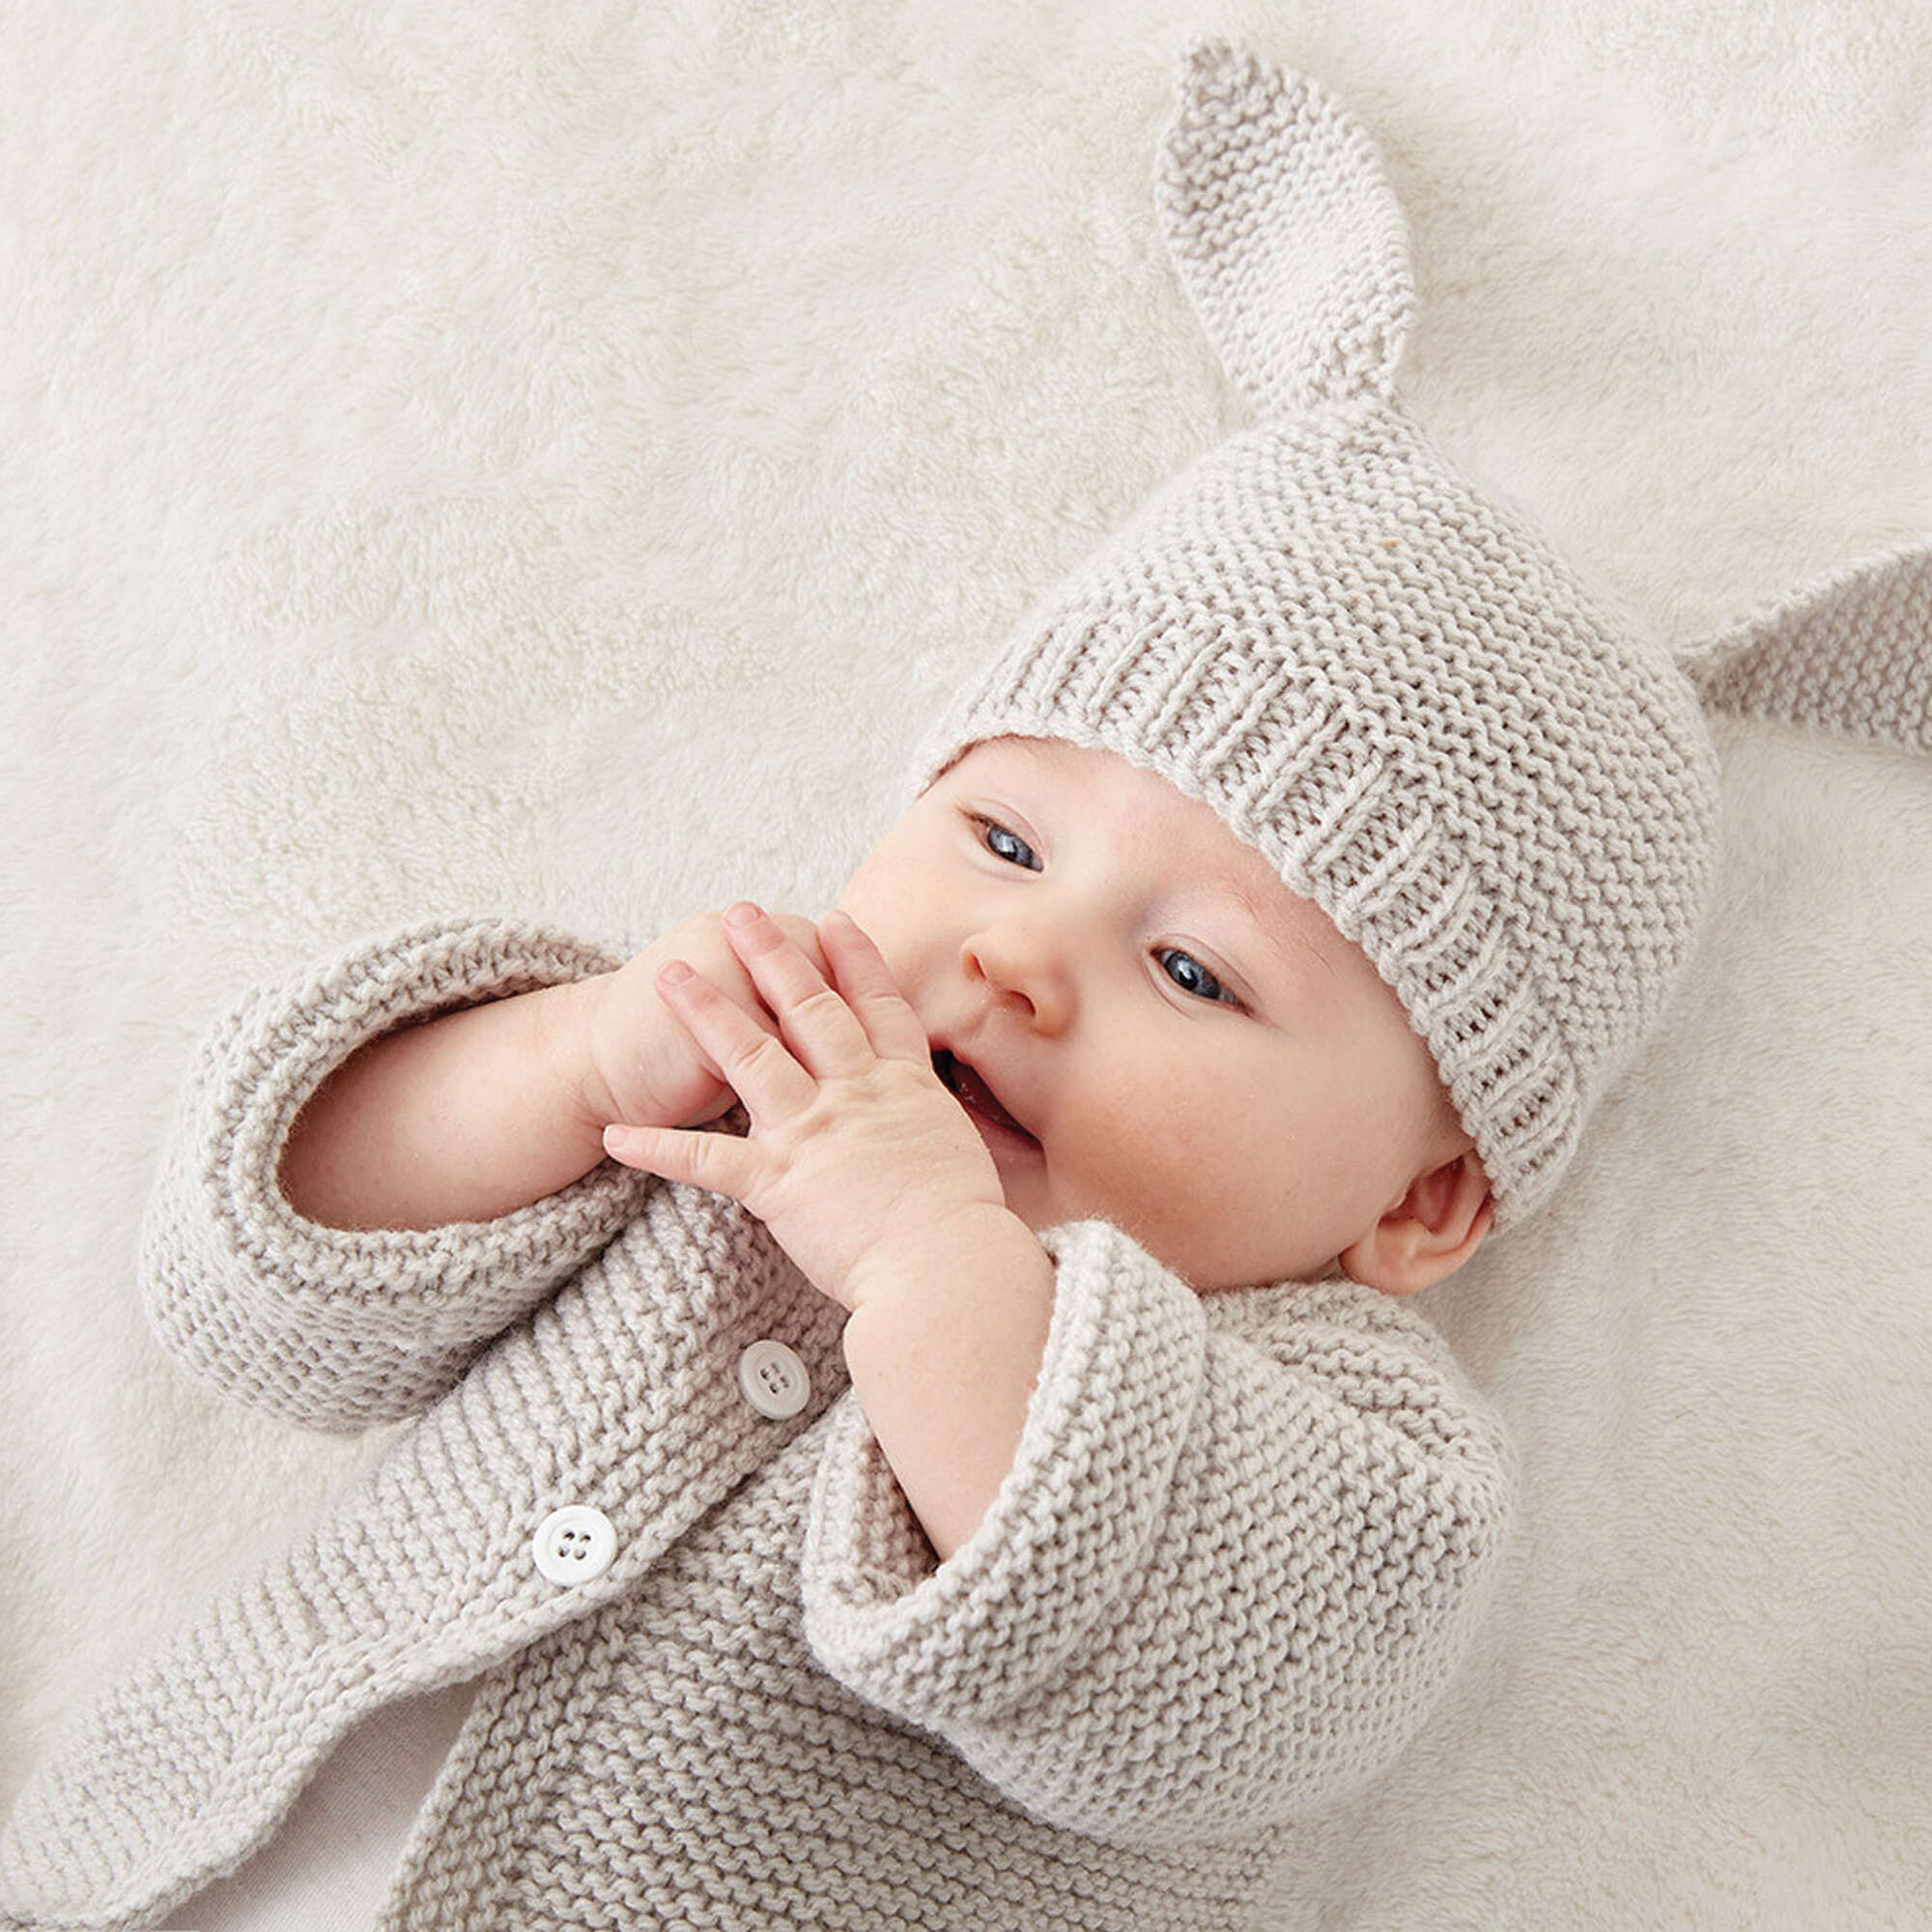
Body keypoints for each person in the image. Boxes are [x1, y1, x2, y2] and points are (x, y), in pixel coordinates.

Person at [0, 42, 1726, 1932]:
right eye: (1001, 838)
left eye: (1190, 970)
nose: (1015, 960)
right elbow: (252, 1290)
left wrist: (928, 1258)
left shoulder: (1346, 1446)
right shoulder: (714, 1110)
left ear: (1420, 1202)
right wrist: (574, 1062)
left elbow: (1176, 1685)